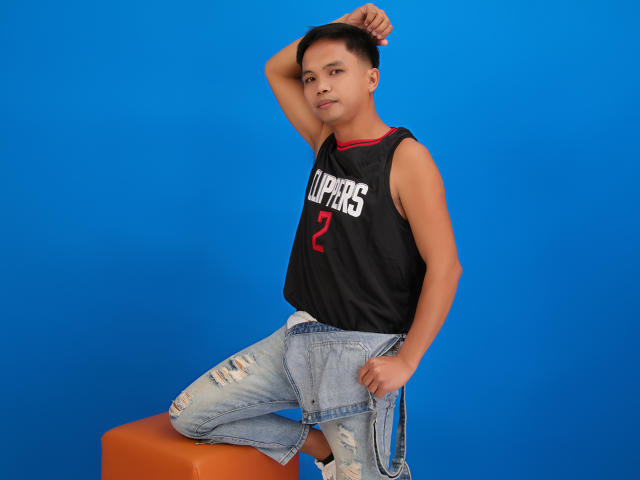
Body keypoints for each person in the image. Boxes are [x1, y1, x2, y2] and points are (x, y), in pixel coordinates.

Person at [169, 4, 462, 480]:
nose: (320, 85)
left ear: (372, 78)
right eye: (310, 78)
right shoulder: (326, 141)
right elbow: (275, 69)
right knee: (190, 414)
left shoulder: (406, 158)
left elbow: (446, 266)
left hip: (360, 354)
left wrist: (407, 360)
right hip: (300, 338)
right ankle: (320, 447)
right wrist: (348, 22)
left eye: (335, 71)